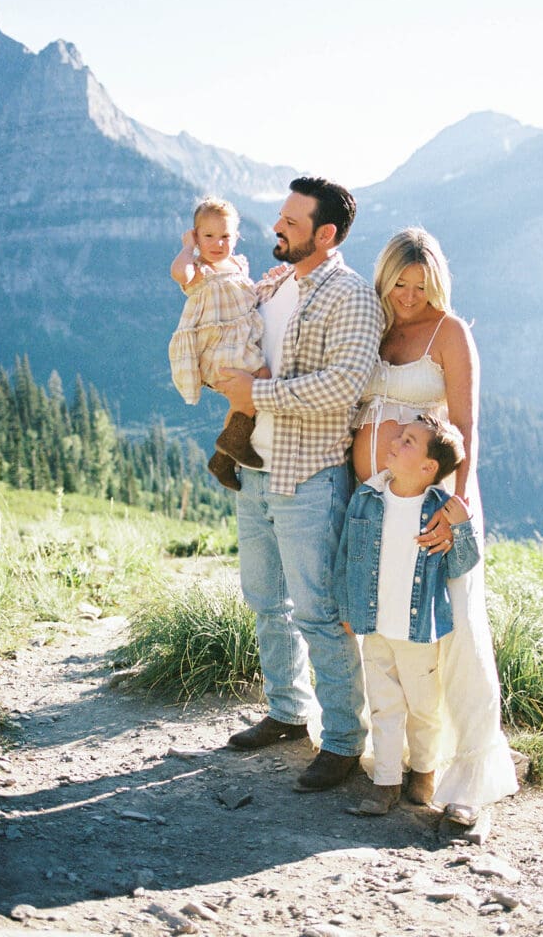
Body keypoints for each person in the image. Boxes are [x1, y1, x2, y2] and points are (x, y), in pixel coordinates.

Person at [217, 177, 384, 793]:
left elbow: (343, 387)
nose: (277, 228)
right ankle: (288, 713)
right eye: (281, 218)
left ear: (327, 234)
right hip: (256, 467)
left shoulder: (352, 296)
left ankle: (343, 740)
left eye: (291, 221)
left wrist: (253, 392)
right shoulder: (275, 282)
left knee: (318, 611)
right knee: (266, 600)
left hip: (309, 474)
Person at [352, 227, 518, 823]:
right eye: (400, 281)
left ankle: (468, 779)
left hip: (433, 508)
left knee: (456, 636)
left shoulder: (451, 333)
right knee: (381, 635)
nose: (409, 294)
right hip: (373, 506)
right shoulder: (371, 324)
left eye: (421, 285)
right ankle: (388, 759)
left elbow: (467, 428)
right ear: (384, 275)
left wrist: (459, 506)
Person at [334, 415, 481, 815]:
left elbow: (463, 564)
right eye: (400, 436)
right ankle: (385, 782)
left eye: (409, 441)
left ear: (428, 467)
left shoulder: (440, 511)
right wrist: (347, 608)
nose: (396, 441)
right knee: (383, 704)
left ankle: (423, 770)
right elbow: (346, 557)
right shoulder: (367, 497)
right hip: (376, 624)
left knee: (423, 706)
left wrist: (463, 525)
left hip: (419, 630)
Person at [168, 197, 270, 491]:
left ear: (236, 238)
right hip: (218, 351)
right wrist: (188, 248)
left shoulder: (237, 265)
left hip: (240, 346)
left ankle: (224, 457)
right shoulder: (198, 270)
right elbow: (179, 273)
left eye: (225, 236)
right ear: (197, 236)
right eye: (208, 236)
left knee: (260, 383)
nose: (217, 243)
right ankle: (230, 448)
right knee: (253, 389)